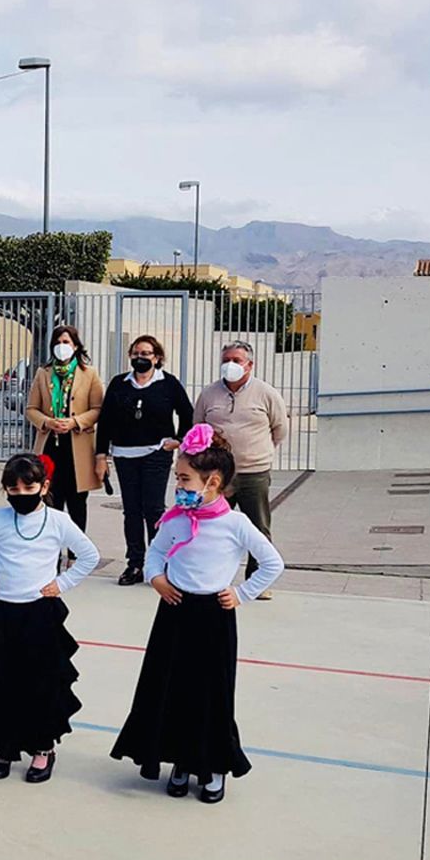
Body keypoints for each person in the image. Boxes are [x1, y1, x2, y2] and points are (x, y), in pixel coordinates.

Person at [110, 424, 284, 804]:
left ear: (213, 482)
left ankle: (213, 766)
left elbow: (272, 562)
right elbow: (157, 552)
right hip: (174, 611)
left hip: (213, 617)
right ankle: (180, 759)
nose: (179, 486)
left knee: (211, 693)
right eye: (178, 478)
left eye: (185, 479)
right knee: (172, 687)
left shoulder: (235, 524)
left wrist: (241, 593)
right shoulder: (175, 518)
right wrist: (156, 578)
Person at [0, 453, 100, 784]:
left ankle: (42, 747)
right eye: (13, 489)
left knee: (40, 683)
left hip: (39, 613)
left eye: (28, 487)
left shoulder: (58, 521)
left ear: (44, 486)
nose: (21, 494)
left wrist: (61, 584)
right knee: (2, 681)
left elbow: (89, 555)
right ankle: (4, 745)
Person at [192, 342, 289, 600]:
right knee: (211, 526)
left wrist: (259, 452)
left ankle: (257, 581)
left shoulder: (266, 393)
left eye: (236, 360)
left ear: (249, 365)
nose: (230, 365)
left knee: (258, 527)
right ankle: (208, 579)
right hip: (218, 475)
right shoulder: (209, 394)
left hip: (253, 472)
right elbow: (198, 426)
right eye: (226, 360)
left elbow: (280, 429)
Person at [95, 335, 194, 586]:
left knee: (154, 509)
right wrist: (101, 455)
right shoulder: (119, 384)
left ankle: (159, 563)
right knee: (131, 511)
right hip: (124, 455)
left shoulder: (168, 383)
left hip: (156, 454)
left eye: (146, 353)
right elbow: (105, 421)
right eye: (136, 353)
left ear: (157, 357)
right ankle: (135, 563)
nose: (141, 358)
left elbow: (187, 414)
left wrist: (178, 440)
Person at [24, 324, 104, 533]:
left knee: (77, 504)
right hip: (50, 446)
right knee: (51, 500)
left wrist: (75, 422)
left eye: (66, 342)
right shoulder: (43, 373)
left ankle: (76, 548)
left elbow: (97, 409)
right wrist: (47, 422)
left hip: (78, 449)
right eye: (58, 342)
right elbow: (31, 409)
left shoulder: (89, 374)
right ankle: (52, 547)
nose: (62, 346)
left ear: (75, 346)